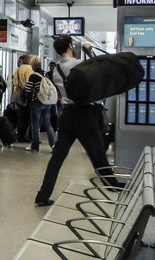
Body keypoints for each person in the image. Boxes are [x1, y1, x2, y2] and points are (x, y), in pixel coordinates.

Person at [34, 35, 121, 206]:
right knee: (98, 156)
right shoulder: (79, 65)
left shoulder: (56, 69)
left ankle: (42, 195)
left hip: (66, 115)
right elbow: (100, 70)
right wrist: (89, 51)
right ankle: (116, 188)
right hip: (85, 115)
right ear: (69, 45)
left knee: (57, 158)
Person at [24, 56, 57, 153]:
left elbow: (28, 89)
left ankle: (35, 146)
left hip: (37, 102)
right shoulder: (45, 74)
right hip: (47, 102)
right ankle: (54, 145)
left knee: (35, 125)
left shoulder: (33, 76)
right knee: (48, 124)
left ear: (33, 65)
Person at [11, 54, 34, 142]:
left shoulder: (17, 69)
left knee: (21, 117)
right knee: (29, 117)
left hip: (19, 95)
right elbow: (29, 82)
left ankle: (20, 136)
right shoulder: (29, 69)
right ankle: (28, 136)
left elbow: (15, 83)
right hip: (27, 95)